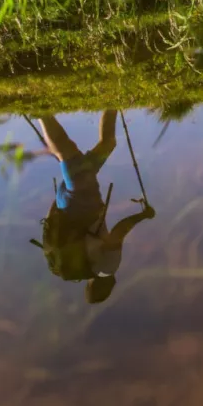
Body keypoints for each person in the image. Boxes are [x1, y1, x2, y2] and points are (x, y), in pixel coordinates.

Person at [34, 111, 154, 303]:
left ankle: (41, 112)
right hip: (64, 202)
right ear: (89, 284)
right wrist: (58, 204)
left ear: (109, 284)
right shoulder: (80, 266)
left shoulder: (108, 268)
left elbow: (119, 232)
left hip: (82, 198)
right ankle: (112, 101)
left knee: (68, 152)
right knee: (107, 144)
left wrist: (142, 216)